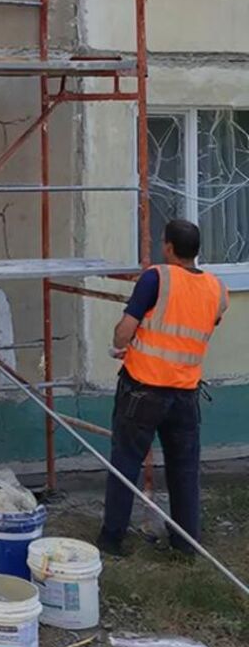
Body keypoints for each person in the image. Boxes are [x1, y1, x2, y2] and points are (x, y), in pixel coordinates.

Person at [98, 219, 228, 556]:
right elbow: (195, 327)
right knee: (184, 469)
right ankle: (185, 543)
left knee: (126, 463)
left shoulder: (156, 278)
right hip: (185, 392)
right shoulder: (217, 288)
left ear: (169, 247)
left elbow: (124, 332)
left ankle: (112, 539)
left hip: (143, 389)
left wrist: (121, 344)